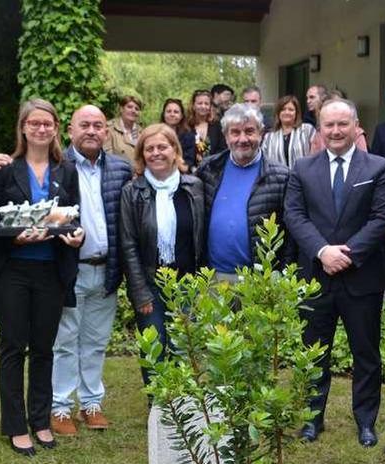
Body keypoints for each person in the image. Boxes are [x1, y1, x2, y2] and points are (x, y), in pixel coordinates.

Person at [284, 99, 385, 445]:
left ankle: (365, 421)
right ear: (320, 128)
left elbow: (382, 217)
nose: (335, 131)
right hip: (316, 277)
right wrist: (322, 251)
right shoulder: (302, 169)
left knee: (366, 353)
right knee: (314, 351)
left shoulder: (378, 168)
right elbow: (294, 215)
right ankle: (311, 419)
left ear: (356, 126)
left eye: (342, 124)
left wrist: (347, 254)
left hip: (361, 277)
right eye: (329, 125)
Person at [0, 99, 84, 456]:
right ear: (23, 127)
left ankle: (40, 420)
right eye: (34, 123)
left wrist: (76, 235)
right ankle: (15, 425)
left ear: (56, 128)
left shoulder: (66, 170)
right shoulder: (5, 169)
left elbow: (73, 217)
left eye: (48, 123)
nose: (41, 129)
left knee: (44, 349)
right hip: (11, 271)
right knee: (13, 347)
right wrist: (14, 235)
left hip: (50, 271)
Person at [50, 105, 131, 436]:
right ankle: (60, 406)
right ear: (70, 130)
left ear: (106, 132)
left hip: (107, 269)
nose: (92, 131)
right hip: (70, 268)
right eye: (85, 125)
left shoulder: (121, 170)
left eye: (99, 125)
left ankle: (91, 403)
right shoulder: (56, 168)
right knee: (66, 340)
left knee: (96, 341)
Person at [119, 124, 204, 386]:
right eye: (149, 148)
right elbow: (128, 245)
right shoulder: (133, 192)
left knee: (184, 346)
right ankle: (157, 406)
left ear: (175, 150)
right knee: (154, 346)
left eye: (162, 147)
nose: (156, 153)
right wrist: (140, 291)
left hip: (187, 283)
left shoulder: (194, 187)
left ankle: (183, 408)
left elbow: (202, 235)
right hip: (151, 284)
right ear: (142, 155)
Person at [196, 103, 291, 280]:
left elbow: (291, 233)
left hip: (259, 279)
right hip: (214, 276)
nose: (242, 139)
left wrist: (281, 275)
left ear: (261, 134)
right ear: (226, 136)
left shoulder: (281, 176)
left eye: (249, 131)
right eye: (235, 132)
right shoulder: (208, 169)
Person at [261, 95, 315, 168]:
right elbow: (264, 161)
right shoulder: (269, 137)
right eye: (283, 109)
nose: (287, 112)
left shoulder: (307, 130)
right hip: (277, 177)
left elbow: (316, 156)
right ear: (278, 113)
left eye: (291, 109)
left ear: (296, 113)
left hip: (303, 177)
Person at [186, 89, 226, 168]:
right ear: (193, 106)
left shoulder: (217, 126)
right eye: (200, 103)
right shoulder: (186, 127)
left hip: (214, 170)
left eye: (206, 103)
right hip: (191, 172)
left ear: (210, 106)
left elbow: (222, 150)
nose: (203, 106)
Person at [159, 98, 196, 170]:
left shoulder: (188, 136)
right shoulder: (155, 133)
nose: (172, 114)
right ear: (163, 114)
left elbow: (189, 161)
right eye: (169, 111)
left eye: (176, 112)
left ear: (181, 116)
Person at [104, 95, 142, 163]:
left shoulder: (142, 132)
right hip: (118, 171)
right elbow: (107, 158)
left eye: (137, 109)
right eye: (129, 107)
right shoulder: (109, 129)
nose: (133, 110)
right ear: (121, 109)